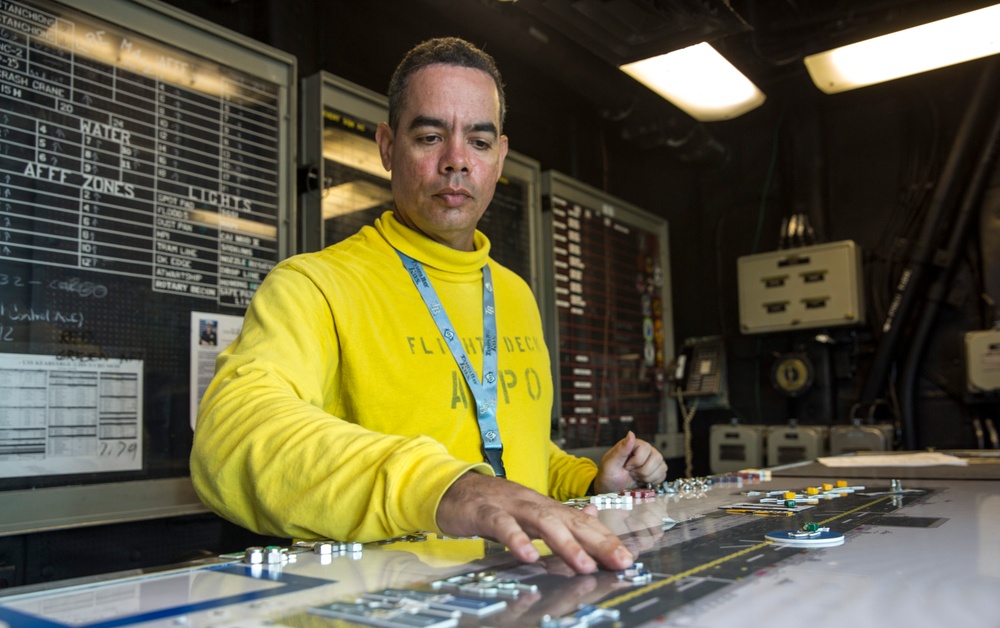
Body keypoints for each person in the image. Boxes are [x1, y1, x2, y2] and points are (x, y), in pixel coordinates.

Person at [191, 36, 667, 575]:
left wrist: (586, 482)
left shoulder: (514, 294)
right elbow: (231, 438)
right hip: (394, 622)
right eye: (430, 136)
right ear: (388, 147)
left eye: (479, 142)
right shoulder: (315, 285)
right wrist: (445, 490)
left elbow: (512, 456)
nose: (456, 161)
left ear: (500, 158)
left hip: (530, 607)